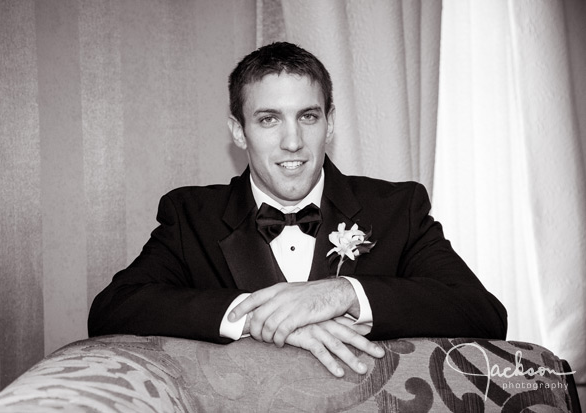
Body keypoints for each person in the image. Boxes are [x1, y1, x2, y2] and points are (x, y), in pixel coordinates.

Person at [88, 42, 507, 378]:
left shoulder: (398, 207)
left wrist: (341, 294)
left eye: (308, 116)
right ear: (238, 130)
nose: (293, 142)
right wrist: (258, 316)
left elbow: (483, 312)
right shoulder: (190, 214)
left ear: (331, 122)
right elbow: (114, 308)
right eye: (269, 119)